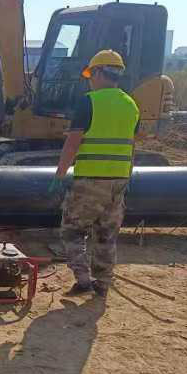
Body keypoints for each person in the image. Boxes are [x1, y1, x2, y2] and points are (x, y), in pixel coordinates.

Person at [50, 50, 140, 297]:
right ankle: (102, 283)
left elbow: (72, 143)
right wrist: (127, 176)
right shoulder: (131, 105)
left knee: (72, 231)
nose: (89, 79)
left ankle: (83, 280)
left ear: (99, 72)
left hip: (91, 180)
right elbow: (132, 145)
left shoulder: (88, 101)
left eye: (90, 73)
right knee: (106, 235)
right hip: (118, 182)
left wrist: (59, 175)